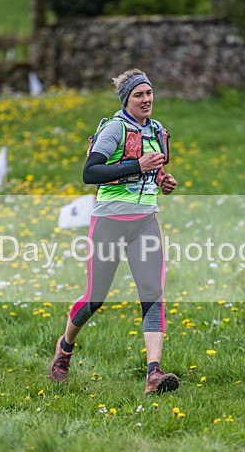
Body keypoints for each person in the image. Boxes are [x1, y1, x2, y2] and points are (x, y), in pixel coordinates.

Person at [49, 68, 180, 394]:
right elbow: (90, 173)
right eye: (139, 95)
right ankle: (64, 351)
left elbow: (153, 170)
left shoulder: (158, 131)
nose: (147, 99)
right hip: (109, 223)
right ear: (126, 99)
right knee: (95, 299)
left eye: (149, 93)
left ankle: (154, 373)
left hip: (146, 222)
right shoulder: (114, 129)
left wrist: (162, 181)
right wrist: (138, 166)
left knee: (153, 295)